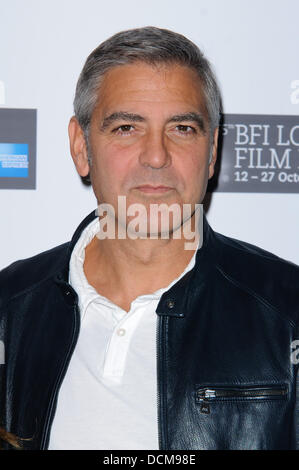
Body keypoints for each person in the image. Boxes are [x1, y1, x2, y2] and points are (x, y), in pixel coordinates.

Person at [0, 26, 298, 451]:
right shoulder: (8, 310)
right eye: (126, 127)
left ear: (212, 151)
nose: (156, 156)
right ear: (81, 147)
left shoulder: (289, 312)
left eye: (182, 128)